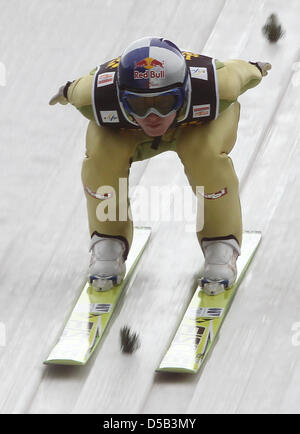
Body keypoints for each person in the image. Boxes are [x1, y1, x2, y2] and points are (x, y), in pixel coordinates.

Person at [50, 36, 271, 295]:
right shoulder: (94, 95)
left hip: (197, 126)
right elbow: (74, 90)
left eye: (164, 102)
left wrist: (255, 68)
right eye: (140, 104)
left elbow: (241, 72)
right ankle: (108, 238)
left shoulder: (218, 87)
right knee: (101, 155)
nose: (152, 117)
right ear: (120, 97)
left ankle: (221, 242)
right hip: (135, 129)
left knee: (205, 154)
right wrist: (67, 92)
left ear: (186, 91)